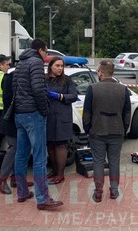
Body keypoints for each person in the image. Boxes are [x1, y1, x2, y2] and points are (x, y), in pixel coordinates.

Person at [13, 39, 63, 210]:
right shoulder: (35, 62)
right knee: (40, 157)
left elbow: (14, 88)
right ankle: (43, 198)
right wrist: (44, 110)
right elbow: (38, 89)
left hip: (19, 114)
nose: (46, 55)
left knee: (21, 155)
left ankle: (22, 192)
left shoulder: (21, 63)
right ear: (40, 50)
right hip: (33, 114)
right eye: (46, 51)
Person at [83, 59, 131, 203]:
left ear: (101, 73)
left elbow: (87, 112)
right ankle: (114, 191)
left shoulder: (92, 88)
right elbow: (127, 113)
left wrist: (87, 128)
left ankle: (98, 192)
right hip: (117, 131)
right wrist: (125, 128)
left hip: (97, 131)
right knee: (114, 161)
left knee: (98, 161)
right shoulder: (123, 89)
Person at [0, 68, 34, 194]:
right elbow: (7, 100)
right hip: (12, 120)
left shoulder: (23, 77)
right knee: (14, 149)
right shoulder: (10, 78)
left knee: (24, 150)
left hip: (22, 119)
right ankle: (2, 179)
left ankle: (16, 178)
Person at [45, 56, 78, 185]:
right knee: (50, 144)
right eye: (57, 66)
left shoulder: (67, 81)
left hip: (62, 117)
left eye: (61, 66)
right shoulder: (44, 79)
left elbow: (73, 96)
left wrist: (59, 96)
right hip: (48, 116)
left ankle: (60, 174)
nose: (60, 68)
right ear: (50, 67)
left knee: (60, 145)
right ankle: (54, 169)